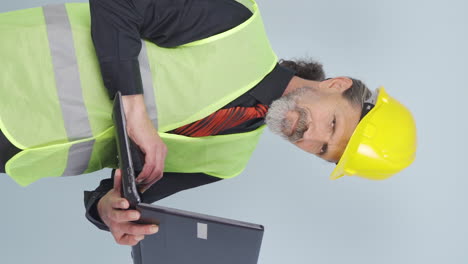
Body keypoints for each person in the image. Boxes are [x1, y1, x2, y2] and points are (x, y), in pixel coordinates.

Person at [0, 0, 416, 246]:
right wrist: (134, 106)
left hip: (17, 151)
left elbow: (116, 194)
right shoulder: (235, 22)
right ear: (336, 85)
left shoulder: (227, 160)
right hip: (11, 66)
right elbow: (116, 5)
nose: (312, 136)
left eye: (325, 150)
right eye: (332, 124)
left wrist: (106, 211)